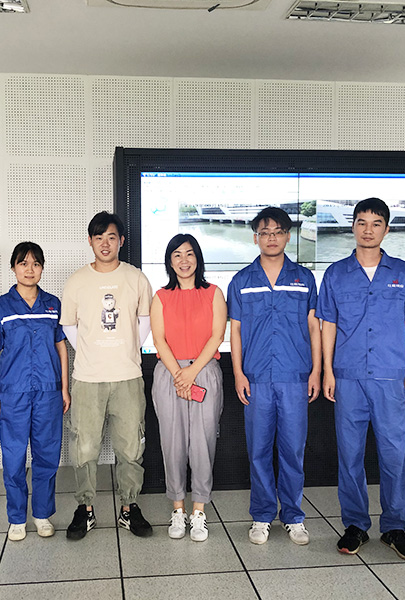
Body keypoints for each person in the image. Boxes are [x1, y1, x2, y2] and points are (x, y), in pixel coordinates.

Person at [317, 197, 405, 561]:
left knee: (394, 454)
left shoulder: (403, 272)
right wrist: (328, 370)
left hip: (390, 377)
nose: (368, 230)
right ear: (353, 227)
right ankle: (355, 524)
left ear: (386, 229)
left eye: (376, 223)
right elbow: (328, 324)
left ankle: (394, 527)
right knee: (350, 454)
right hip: (348, 377)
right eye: (361, 222)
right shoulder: (336, 274)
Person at [227, 207, 321, 546]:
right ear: (256, 238)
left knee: (293, 450)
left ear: (287, 236)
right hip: (256, 378)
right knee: (259, 450)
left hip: (295, 377)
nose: (271, 238)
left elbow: (314, 326)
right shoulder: (241, 280)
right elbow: (235, 331)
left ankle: (293, 516)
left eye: (278, 232)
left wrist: (317, 370)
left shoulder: (304, 278)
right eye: (265, 232)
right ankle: (262, 515)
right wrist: (238, 373)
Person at [60, 211, 154, 539]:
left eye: (111, 237)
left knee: (130, 447)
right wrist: (92, 351)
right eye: (98, 237)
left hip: (127, 375)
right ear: (90, 241)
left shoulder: (136, 278)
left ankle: (129, 507)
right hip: (88, 378)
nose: (105, 243)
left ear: (121, 241)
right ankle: (85, 509)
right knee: (84, 447)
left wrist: (124, 349)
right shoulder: (76, 281)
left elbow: (144, 322)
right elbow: (69, 326)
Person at [0, 242, 70, 542]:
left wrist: (65, 389)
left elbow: (61, 347)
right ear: (13, 268)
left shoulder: (53, 304)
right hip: (13, 394)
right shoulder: (0, 308)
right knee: (14, 458)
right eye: (23, 263)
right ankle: (17, 518)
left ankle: (42, 515)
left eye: (35, 263)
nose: (29, 269)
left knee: (47, 455)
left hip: (48, 392)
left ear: (42, 268)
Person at [150, 234, 227, 542]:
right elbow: (159, 340)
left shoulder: (213, 293)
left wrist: (192, 372)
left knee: (203, 443)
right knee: (173, 443)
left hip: (203, 372)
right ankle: (178, 509)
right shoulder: (160, 297)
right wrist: (179, 374)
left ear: (198, 258)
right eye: (177, 255)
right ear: (170, 261)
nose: (184, 260)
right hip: (169, 375)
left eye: (190, 254)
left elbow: (217, 336)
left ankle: (198, 511)